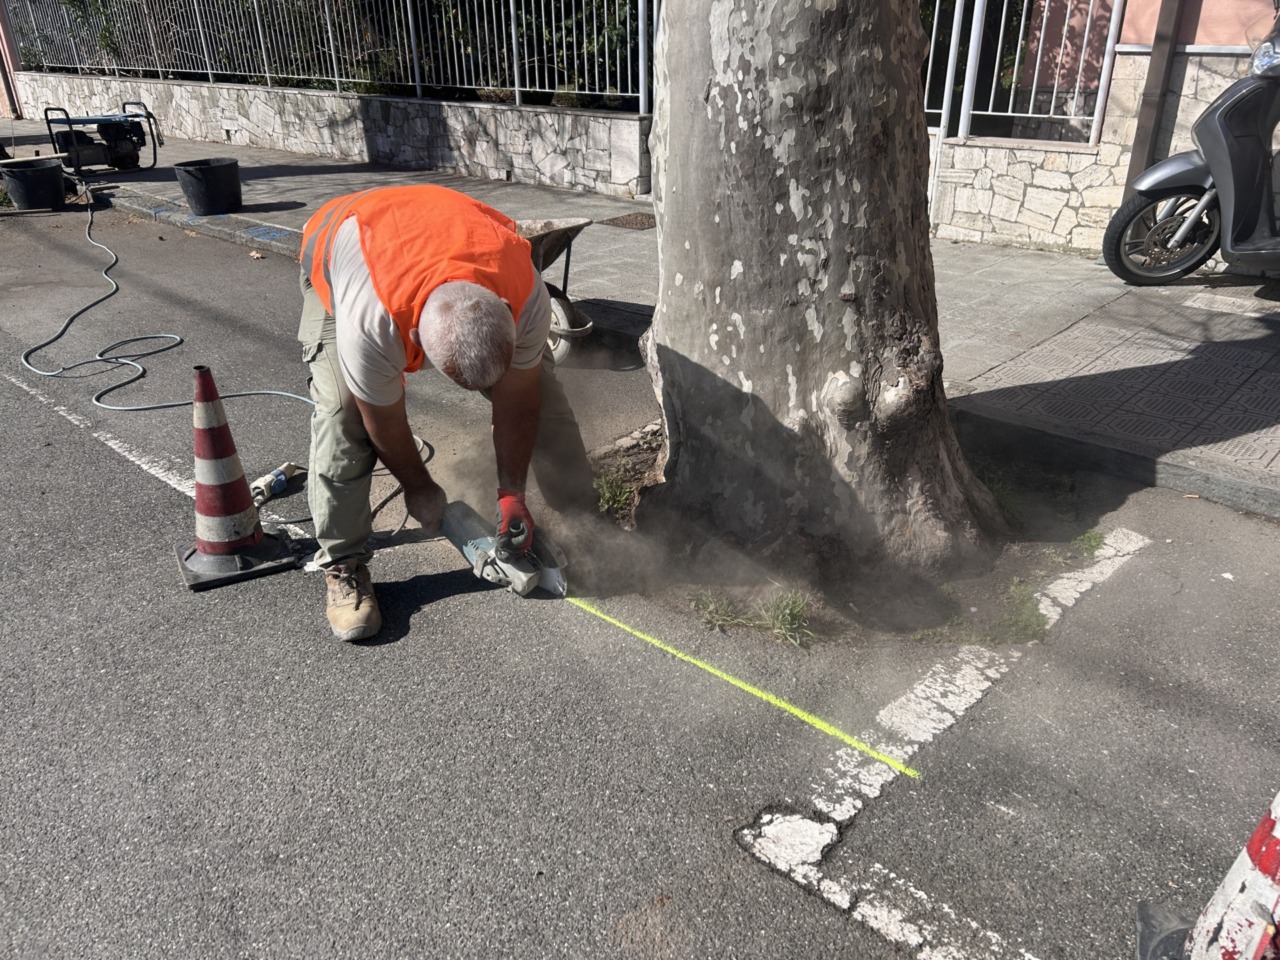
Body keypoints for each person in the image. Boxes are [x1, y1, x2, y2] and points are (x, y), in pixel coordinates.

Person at [297, 184, 595, 641]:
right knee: (343, 414)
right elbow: (384, 418)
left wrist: (511, 493)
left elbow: (519, 400)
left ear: (509, 317)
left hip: (441, 229)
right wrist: (418, 487)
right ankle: (344, 563)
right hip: (345, 246)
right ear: (413, 338)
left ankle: (582, 513)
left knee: (544, 396)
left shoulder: (524, 291)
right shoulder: (371, 322)